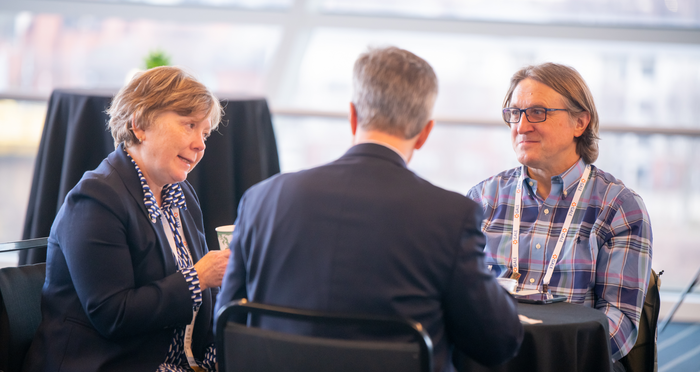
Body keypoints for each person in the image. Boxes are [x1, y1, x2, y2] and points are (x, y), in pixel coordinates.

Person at [215, 46, 524, 372]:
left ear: (352, 116)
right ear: (424, 133)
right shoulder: (450, 216)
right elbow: (498, 342)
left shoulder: (262, 199)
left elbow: (226, 325)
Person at [24, 66, 231, 372]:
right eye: (189, 125)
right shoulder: (95, 198)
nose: (201, 144)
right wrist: (199, 277)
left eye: (205, 133)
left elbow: (205, 297)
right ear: (140, 125)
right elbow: (113, 315)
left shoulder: (181, 195)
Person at [467, 63, 653, 366]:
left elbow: (619, 326)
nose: (522, 126)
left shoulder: (619, 208)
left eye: (537, 112)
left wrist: (544, 358)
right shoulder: (482, 199)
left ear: (580, 123)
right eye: (514, 113)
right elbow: (458, 297)